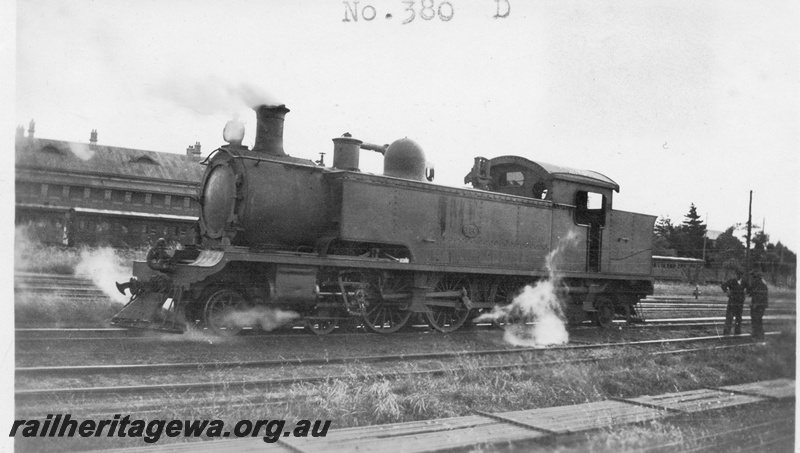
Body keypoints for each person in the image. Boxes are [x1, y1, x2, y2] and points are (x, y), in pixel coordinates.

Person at [720, 270, 746, 335]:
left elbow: (750, 289)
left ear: (741, 275)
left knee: (738, 318)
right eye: (737, 275)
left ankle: (737, 332)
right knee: (729, 318)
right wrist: (727, 291)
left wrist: (746, 292)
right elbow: (723, 285)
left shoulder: (744, 283)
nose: (738, 276)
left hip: (740, 303)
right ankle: (726, 332)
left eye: (740, 275)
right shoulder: (732, 281)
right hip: (732, 302)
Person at [747, 271, 768, 341]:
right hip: (755, 305)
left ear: (758, 277)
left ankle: (760, 337)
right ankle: (755, 335)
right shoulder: (757, 283)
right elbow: (751, 292)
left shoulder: (762, 284)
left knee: (757, 320)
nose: (753, 278)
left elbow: (761, 296)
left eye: (754, 277)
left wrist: (756, 304)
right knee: (755, 320)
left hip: (759, 306)